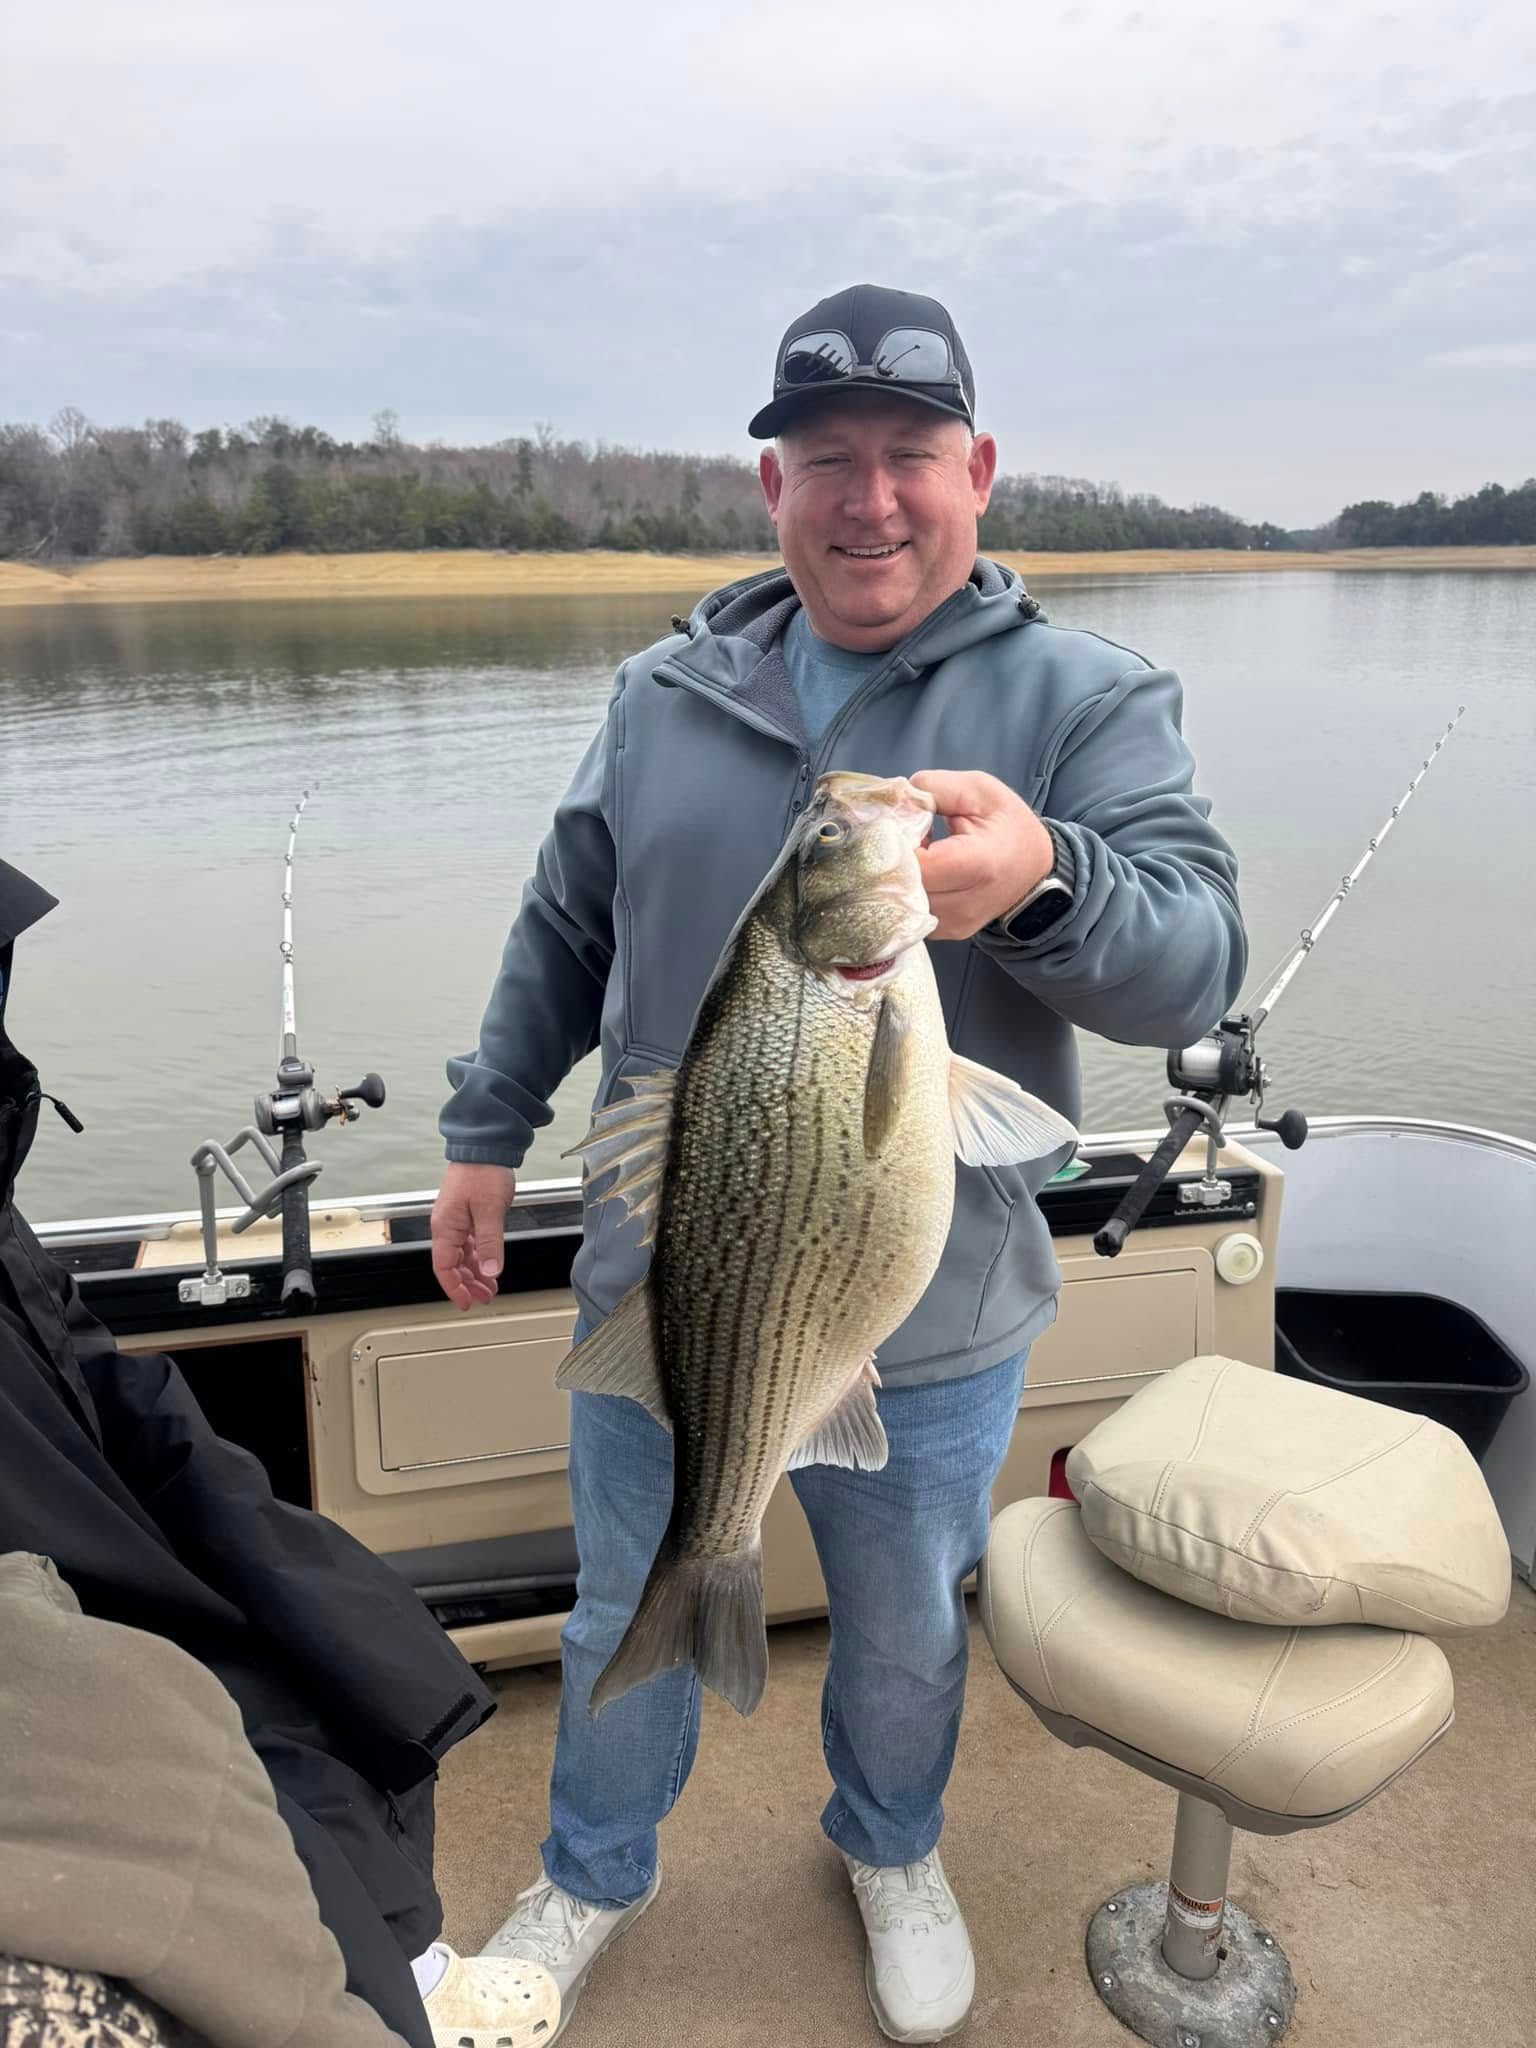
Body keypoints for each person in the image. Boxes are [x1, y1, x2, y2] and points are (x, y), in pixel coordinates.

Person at [431, 283, 1247, 2043]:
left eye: (909, 456)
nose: (869, 499)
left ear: (980, 472)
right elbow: (567, 923)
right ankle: (589, 1867)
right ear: (771, 486)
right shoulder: (662, 691)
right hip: (674, 1281)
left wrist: (1045, 875)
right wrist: (486, 1129)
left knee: (903, 1630)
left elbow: (1194, 962)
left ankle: (890, 1844)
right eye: (826, 460)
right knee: (622, 1600)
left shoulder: (1087, 695)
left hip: (924, 1315)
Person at [0, 859, 560, 2048]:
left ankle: (408, 1961)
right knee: (263, 1763)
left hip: (141, 1575)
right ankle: (398, 1989)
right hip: (83, 1654)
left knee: (341, 1644)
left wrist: (262, 1539)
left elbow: (87, 1361)